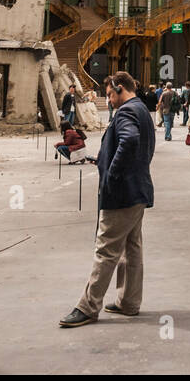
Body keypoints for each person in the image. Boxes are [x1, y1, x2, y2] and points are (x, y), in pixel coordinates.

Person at [60, 71, 155, 327]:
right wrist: (103, 159)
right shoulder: (142, 110)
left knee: (106, 250)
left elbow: (130, 141)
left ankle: (88, 307)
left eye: (111, 95)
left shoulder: (125, 112)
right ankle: (129, 301)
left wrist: (112, 173)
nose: (110, 100)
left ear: (119, 88)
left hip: (122, 194)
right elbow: (141, 146)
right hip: (139, 190)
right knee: (131, 249)